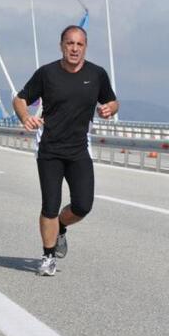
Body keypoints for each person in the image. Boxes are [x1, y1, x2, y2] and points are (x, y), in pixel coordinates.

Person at [13, 25, 119, 276]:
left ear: (85, 47)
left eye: (79, 44)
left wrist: (109, 109)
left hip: (79, 149)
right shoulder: (47, 73)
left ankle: (60, 226)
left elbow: (112, 101)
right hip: (49, 149)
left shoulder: (97, 74)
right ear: (61, 45)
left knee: (83, 205)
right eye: (69, 43)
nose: (74, 48)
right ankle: (48, 256)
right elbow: (20, 99)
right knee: (50, 204)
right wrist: (25, 116)